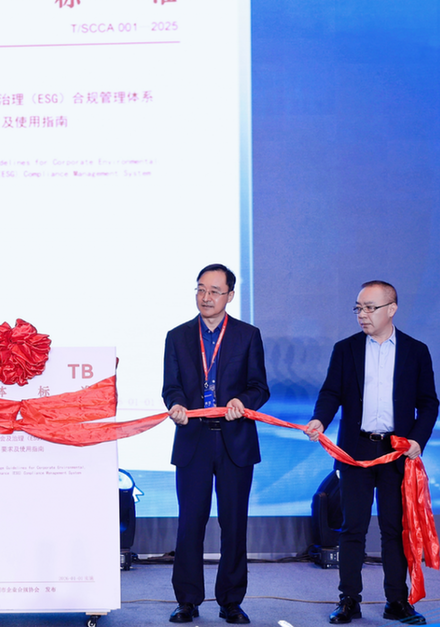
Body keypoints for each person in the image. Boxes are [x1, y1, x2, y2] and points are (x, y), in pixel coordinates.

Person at [304, 280, 439, 625]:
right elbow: (331, 393)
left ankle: (397, 601)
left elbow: (428, 403)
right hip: (356, 450)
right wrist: (320, 420)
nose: (362, 315)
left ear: (391, 309)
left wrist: (417, 440)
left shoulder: (415, 351)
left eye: (369, 308)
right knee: (353, 528)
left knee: (395, 529)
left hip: (396, 452)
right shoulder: (346, 349)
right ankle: (349, 600)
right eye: (358, 308)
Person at [161, 263, 270, 625]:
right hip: (193, 439)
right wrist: (177, 404)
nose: (205, 297)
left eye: (214, 291)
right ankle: (187, 601)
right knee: (190, 523)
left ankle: (231, 601)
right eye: (200, 289)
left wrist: (243, 401)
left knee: (234, 524)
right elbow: (171, 386)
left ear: (230, 296)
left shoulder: (247, 335)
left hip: (234, 440)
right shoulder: (177, 336)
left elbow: (260, 387)